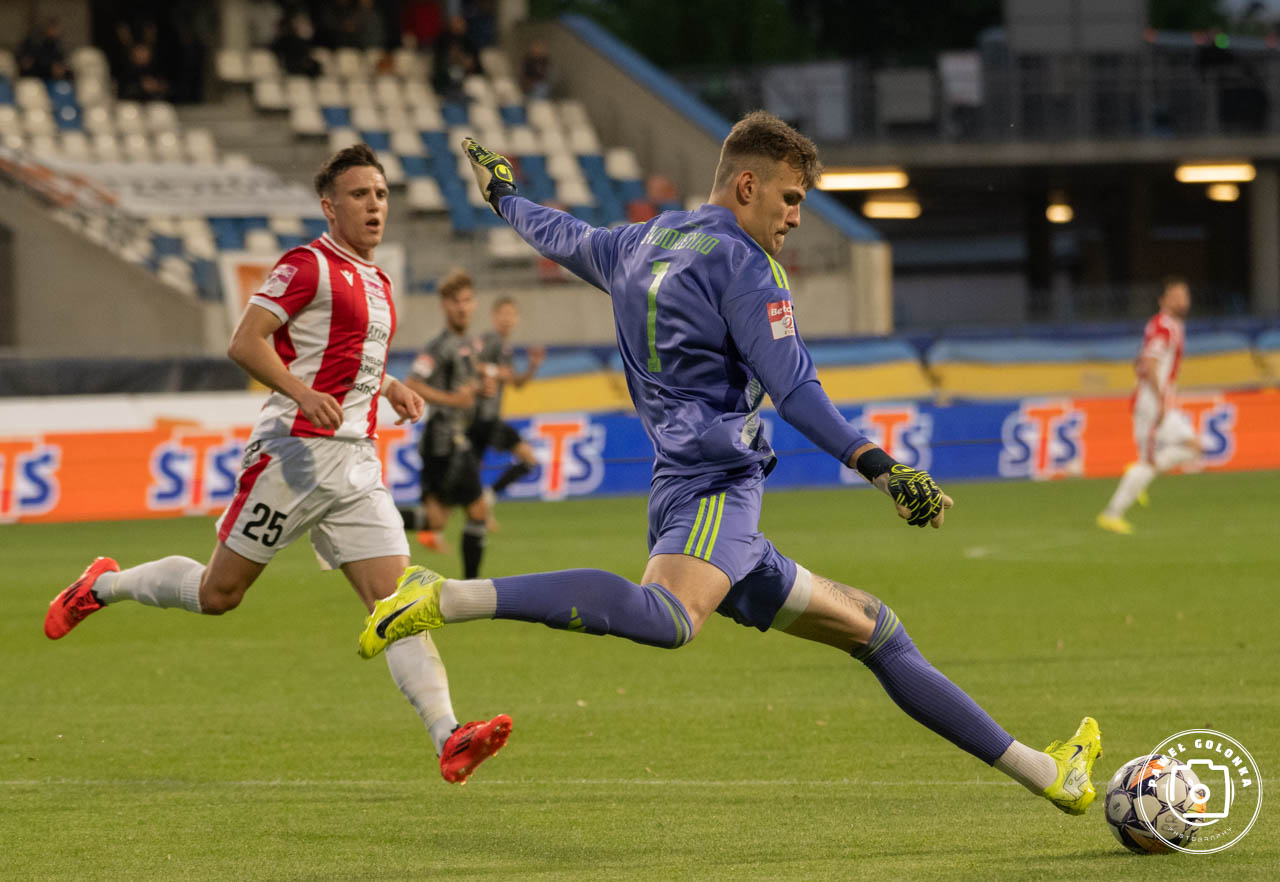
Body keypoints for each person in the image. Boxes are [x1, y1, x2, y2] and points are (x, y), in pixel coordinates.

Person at [358, 114, 1104, 817]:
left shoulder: (638, 241)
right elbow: (796, 391)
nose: (796, 217)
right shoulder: (748, 268)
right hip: (717, 487)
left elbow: (560, 234)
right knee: (669, 618)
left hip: (686, 491)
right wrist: (879, 466)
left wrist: (504, 197)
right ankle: (449, 595)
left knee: (876, 631)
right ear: (747, 185)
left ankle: (1050, 774)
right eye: (790, 198)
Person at [44, 144, 510, 785]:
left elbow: (342, 356)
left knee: (398, 605)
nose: (374, 205)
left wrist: (390, 385)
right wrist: (299, 392)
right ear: (330, 207)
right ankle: (102, 586)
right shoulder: (306, 265)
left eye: (380, 194)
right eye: (359, 195)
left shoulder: (379, 282)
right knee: (219, 594)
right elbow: (245, 342)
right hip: (293, 454)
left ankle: (448, 735)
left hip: (355, 464)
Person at [403, 269, 492, 577]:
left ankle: (363, 524)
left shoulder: (467, 343)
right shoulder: (438, 346)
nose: (462, 307)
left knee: (435, 520)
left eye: (467, 300)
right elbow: (413, 382)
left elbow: (463, 388)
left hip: (454, 439)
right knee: (478, 511)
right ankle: (472, 587)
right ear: (444, 305)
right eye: (456, 301)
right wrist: (453, 400)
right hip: (443, 440)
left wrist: (480, 388)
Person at [1097, 278, 1199, 534]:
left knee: (1188, 450)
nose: (1182, 301)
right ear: (1163, 301)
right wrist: (1160, 399)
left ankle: (1137, 475)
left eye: (1184, 296)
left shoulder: (1170, 326)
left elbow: (1142, 360)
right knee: (1188, 449)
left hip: (1158, 400)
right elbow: (1150, 363)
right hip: (1153, 403)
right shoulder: (1163, 326)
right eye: (1176, 297)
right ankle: (1112, 512)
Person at [470, 297, 546, 524]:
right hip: (479, 416)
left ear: (517, 318)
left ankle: (483, 507)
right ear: (494, 317)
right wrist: (496, 372)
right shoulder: (488, 340)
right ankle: (483, 505)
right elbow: (470, 363)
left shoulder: (506, 348)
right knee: (528, 458)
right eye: (503, 314)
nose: (507, 319)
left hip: (489, 418)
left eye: (511, 314)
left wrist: (532, 367)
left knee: (472, 474)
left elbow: (516, 383)